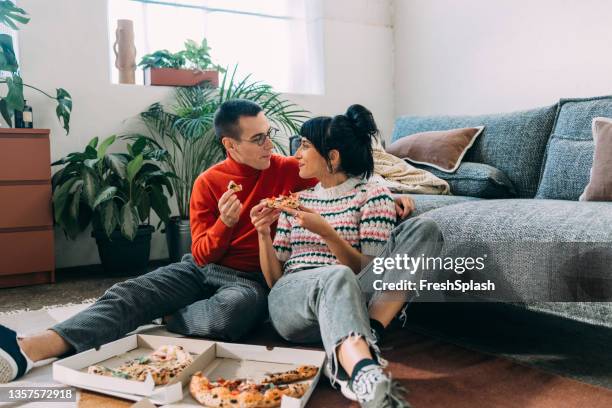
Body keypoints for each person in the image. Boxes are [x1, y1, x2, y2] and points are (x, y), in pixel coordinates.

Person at [0, 99, 416, 383]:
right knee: (132, 293)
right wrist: (225, 224)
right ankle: (29, 348)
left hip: (251, 280)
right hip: (202, 267)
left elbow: (343, 173)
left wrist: (393, 194)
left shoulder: (290, 168)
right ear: (230, 144)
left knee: (232, 313)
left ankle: (169, 318)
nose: (270, 145)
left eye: (270, 135)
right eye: (258, 140)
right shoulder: (209, 182)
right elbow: (200, 253)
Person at [250, 105, 443, 407]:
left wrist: (327, 232)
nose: (297, 153)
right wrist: (262, 233)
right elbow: (275, 281)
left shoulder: (372, 193)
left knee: (425, 229)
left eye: (305, 145)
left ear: (333, 156)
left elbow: (374, 272)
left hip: (352, 293)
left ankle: (364, 361)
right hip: (295, 302)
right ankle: (363, 351)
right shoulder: (295, 200)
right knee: (335, 275)